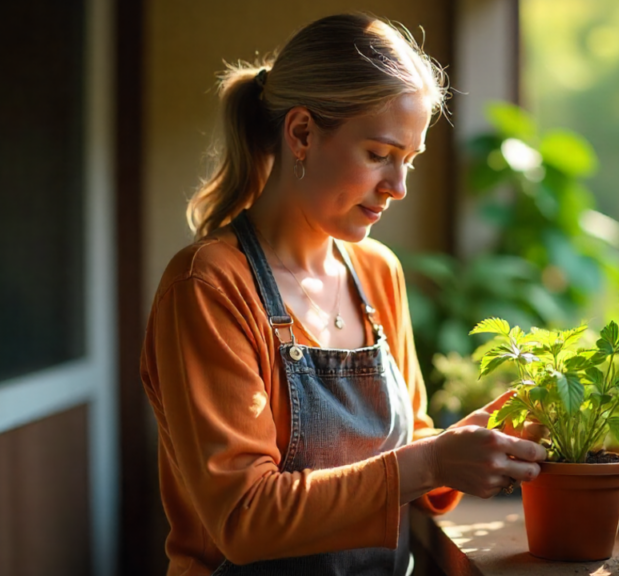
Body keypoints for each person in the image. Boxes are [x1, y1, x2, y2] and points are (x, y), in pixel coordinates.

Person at [140, 13, 548, 576]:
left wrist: (468, 449)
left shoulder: (378, 272)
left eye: (409, 160)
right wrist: (428, 463)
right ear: (302, 133)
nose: (398, 187)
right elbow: (244, 518)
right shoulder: (209, 287)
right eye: (379, 154)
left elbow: (413, 448)